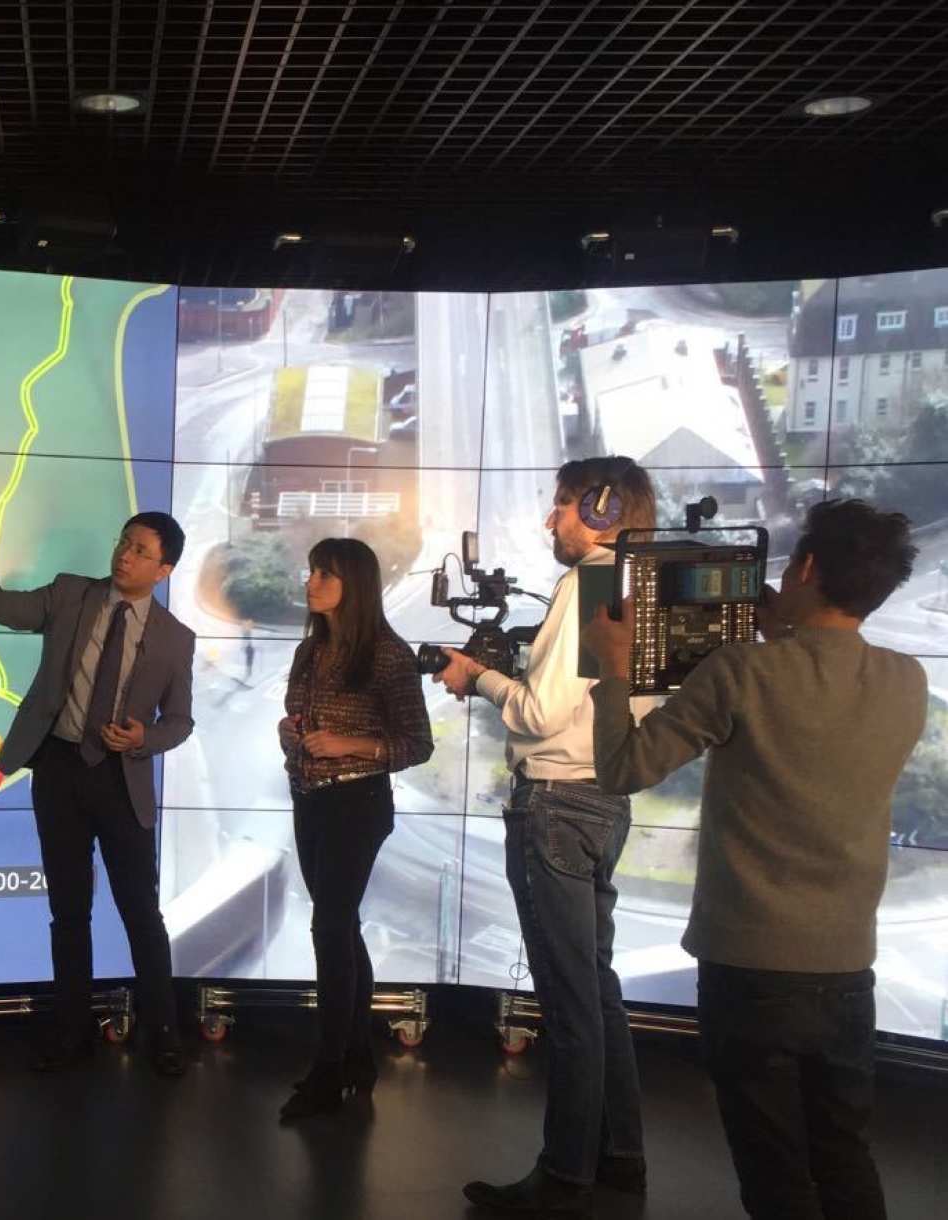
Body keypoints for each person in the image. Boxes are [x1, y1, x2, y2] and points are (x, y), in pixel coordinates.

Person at [585, 499, 925, 1220]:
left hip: (750, 967)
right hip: (846, 968)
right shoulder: (906, 679)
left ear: (804, 567)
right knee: (843, 1153)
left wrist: (613, 669)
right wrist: (786, 636)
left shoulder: (740, 671)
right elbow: (818, 701)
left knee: (775, 1172)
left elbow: (621, 769)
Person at [433, 456, 655, 1215]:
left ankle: (564, 1174)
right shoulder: (638, 583)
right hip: (607, 800)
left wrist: (477, 677)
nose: (549, 520)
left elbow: (539, 712)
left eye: (562, 505)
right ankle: (619, 1159)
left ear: (600, 509)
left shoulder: (587, 583)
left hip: (557, 802)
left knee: (570, 1004)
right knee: (598, 993)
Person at [0, 495, 196, 1077]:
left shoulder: (175, 638)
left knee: (140, 912)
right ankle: (72, 1032)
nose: (125, 556)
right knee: (68, 911)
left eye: (141, 551)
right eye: (123, 543)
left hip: (121, 779)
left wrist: (143, 737)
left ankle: (164, 1033)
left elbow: (180, 722)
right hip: (60, 770)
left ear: (164, 569)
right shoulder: (70, 594)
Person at [275, 537, 432, 1120]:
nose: (312, 583)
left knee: (329, 928)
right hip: (309, 799)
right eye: (312, 571)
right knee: (340, 929)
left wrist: (349, 744)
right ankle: (357, 1057)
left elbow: (417, 744)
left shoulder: (388, 656)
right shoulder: (310, 650)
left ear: (356, 586)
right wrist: (292, 735)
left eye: (326, 575)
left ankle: (327, 1068)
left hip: (357, 803)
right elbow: (299, 724)